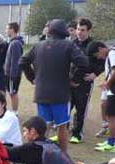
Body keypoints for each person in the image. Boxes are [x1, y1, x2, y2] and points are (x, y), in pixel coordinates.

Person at [20, 19, 89, 152]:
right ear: (64, 32)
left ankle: (41, 154)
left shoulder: (38, 46)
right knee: (62, 126)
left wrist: (32, 78)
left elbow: (23, 62)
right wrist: (75, 79)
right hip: (61, 94)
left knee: (42, 126)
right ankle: (63, 156)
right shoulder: (68, 45)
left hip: (41, 93)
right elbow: (83, 63)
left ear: (50, 31)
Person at [64, 18, 103, 143]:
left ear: (89, 31)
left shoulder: (95, 45)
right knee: (66, 108)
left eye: (82, 30)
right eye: (78, 29)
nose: (79, 32)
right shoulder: (71, 44)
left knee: (81, 109)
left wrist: (95, 74)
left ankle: (77, 134)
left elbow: (103, 62)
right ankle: (63, 132)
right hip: (69, 82)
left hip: (84, 83)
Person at [90, 41, 115, 152]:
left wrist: (109, 84)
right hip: (113, 89)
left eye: (97, 54)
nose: (98, 57)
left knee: (112, 117)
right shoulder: (113, 53)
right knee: (112, 116)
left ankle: (112, 143)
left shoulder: (112, 53)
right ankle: (112, 141)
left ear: (101, 49)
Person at [4, 22, 24, 112]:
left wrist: (13, 76)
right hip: (10, 74)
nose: (6, 31)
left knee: (13, 93)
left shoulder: (15, 43)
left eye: (7, 29)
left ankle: (15, 112)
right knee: (11, 92)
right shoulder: (12, 42)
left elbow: (16, 61)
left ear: (12, 30)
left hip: (13, 75)